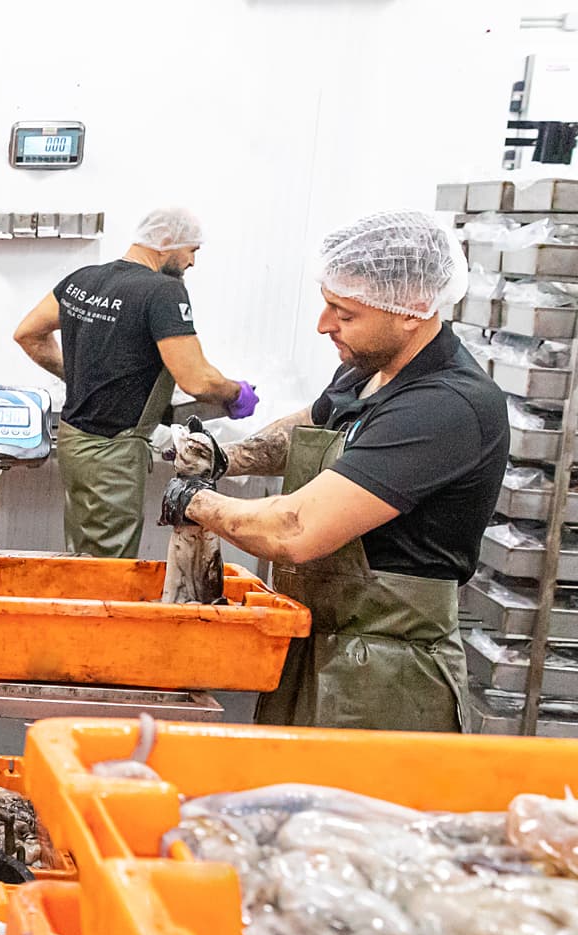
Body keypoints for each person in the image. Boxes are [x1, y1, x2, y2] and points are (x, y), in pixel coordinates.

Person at [161, 210, 503, 731]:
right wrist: (226, 456)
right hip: (316, 638)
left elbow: (296, 529)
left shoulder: (445, 406)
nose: (324, 324)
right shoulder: (369, 368)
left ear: (412, 308)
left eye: (343, 313)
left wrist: (195, 502)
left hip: (387, 674)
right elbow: (310, 426)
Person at [13, 207, 257, 557]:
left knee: (84, 553)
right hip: (113, 449)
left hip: (73, 440)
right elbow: (196, 379)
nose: (191, 262)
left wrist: (83, 375)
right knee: (108, 563)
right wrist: (236, 393)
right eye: (192, 250)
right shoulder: (163, 291)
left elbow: (28, 334)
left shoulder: (82, 279)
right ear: (166, 242)